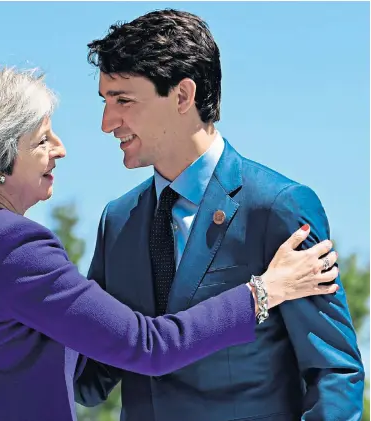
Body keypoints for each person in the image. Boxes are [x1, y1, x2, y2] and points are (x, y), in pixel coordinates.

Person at [0, 65, 340, 421]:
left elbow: (81, 372)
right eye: (41, 139)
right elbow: (147, 346)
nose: (61, 148)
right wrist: (264, 292)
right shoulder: (17, 248)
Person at [74, 8, 364, 421]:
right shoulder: (117, 221)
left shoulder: (280, 207)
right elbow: (92, 374)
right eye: (105, 101)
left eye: (123, 100)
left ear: (182, 96)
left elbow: (334, 372)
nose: (107, 122)